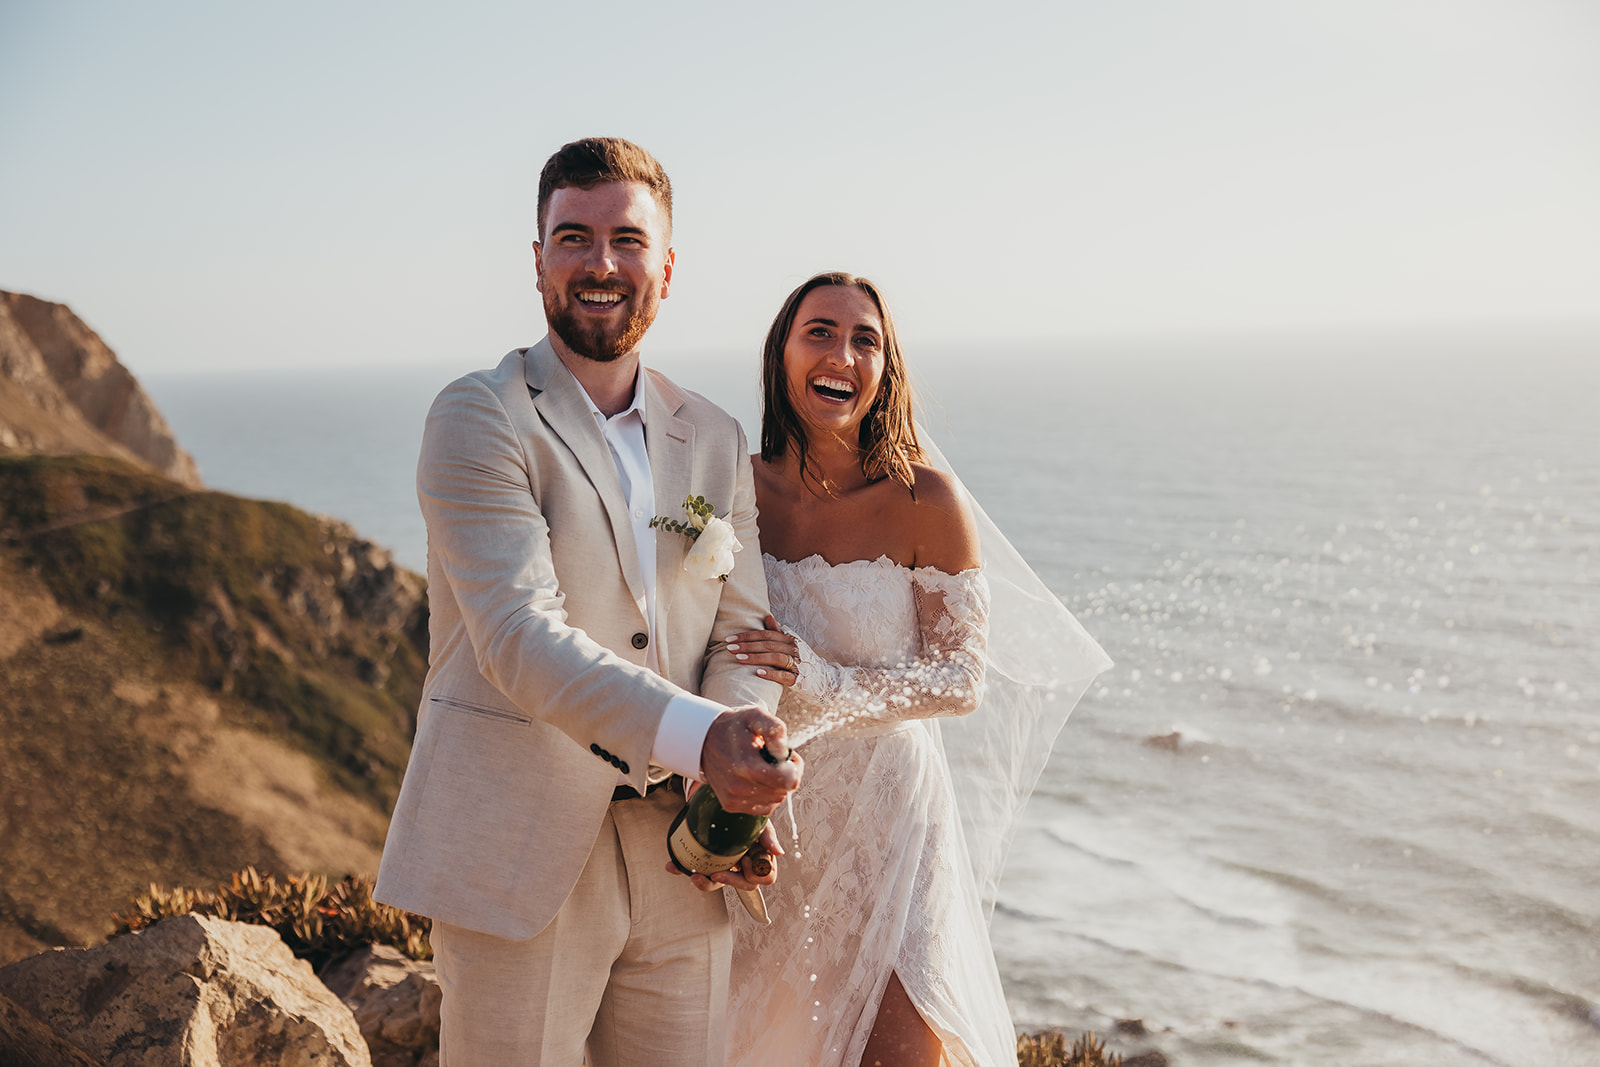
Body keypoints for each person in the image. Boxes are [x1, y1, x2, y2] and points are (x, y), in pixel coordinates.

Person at [373, 137, 802, 1067]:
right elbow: (519, 637)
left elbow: (742, 635)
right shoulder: (479, 415)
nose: (600, 264)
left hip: (684, 854)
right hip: (520, 846)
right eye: (573, 237)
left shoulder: (717, 436)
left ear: (668, 267)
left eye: (626, 240)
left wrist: (729, 767)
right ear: (537, 261)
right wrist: (702, 740)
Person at [708, 272, 1111, 1067]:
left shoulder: (925, 498)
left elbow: (961, 678)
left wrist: (823, 682)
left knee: (900, 1046)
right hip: (775, 810)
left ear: (885, 369)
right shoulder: (735, 493)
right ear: (781, 353)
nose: (843, 354)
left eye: (866, 340)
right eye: (819, 331)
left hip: (890, 814)